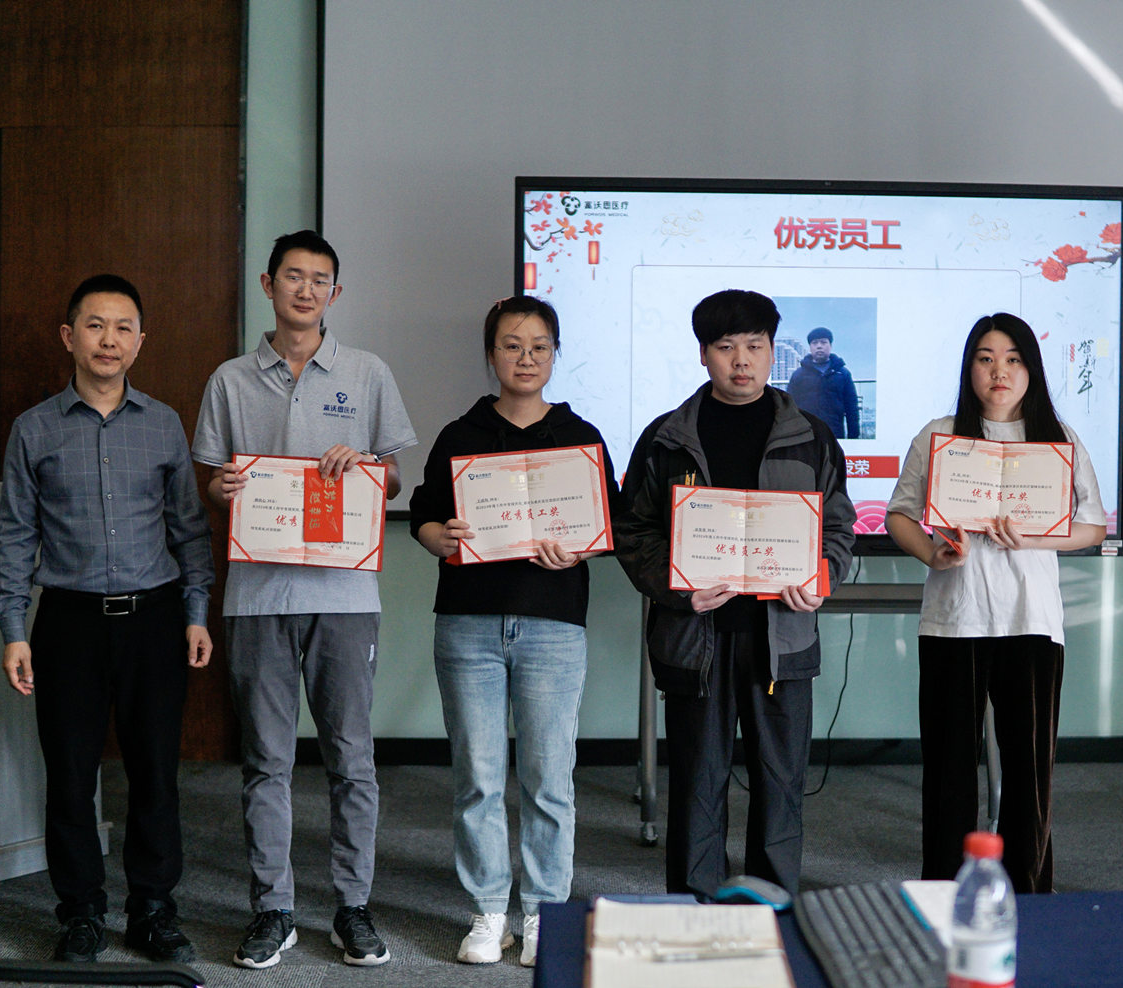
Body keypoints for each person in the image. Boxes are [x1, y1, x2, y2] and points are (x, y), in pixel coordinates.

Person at [192, 230, 416, 969]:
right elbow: (211, 484)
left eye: (320, 279)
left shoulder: (367, 372)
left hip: (345, 595)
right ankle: (274, 909)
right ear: (269, 284)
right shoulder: (230, 380)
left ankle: (353, 906)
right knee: (266, 760)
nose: (306, 290)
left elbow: (393, 482)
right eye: (293, 276)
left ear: (335, 293)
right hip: (257, 596)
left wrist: (369, 468)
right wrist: (223, 488)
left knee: (352, 758)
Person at [0, 274, 214, 963]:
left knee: (155, 774)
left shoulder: (164, 424)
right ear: (70, 337)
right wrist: (13, 630)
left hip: (154, 619)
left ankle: (152, 911)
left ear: (141, 341)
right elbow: (15, 536)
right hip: (69, 624)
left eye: (123, 327)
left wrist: (197, 613)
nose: (108, 340)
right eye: (95, 325)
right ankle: (81, 913)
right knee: (69, 777)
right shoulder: (33, 429)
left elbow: (189, 529)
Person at [615, 289, 855, 898]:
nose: (741, 360)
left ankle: (772, 908)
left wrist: (821, 575)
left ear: (774, 351)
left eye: (754, 345)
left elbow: (837, 527)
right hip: (696, 639)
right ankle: (695, 908)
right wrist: (677, 586)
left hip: (781, 639)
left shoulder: (811, 436)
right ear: (703, 354)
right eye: (725, 347)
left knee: (781, 784)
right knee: (698, 784)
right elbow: (633, 531)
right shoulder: (667, 438)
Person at [408, 296, 618, 967]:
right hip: (467, 623)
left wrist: (578, 548)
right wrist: (438, 536)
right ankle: (488, 910)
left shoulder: (581, 436)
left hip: (554, 624)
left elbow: (606, 524)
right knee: (477, 775)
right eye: (511, 345)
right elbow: (423, 515)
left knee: (549, 778)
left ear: (555, 354)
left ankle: (544, 913)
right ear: (491, 353)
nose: (525, 358)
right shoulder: (460, 434)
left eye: (538, 346)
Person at [885, 312, 1105, 893]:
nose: (999, 371)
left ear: (1031, 369)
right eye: (985, 359)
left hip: (1030, 619)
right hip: (952, 620)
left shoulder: (1058, 439)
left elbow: (1092, 526)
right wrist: (932, 554)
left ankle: (1027, 893)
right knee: (949, 770)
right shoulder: (939, 436)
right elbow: (899, 514)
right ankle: (944, 891)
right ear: (969, 369)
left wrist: (1034, 538)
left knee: (1029, 771)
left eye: (1012, 359)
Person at [787, 326, 860, 439]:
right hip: (806, 434)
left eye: (823, 342)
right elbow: (789, 407)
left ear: (830, 346)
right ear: (810, 347)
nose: (819, 346)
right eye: (815, 343)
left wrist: (853, 437)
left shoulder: (842, 374)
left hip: (834, 433)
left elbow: (852, 408)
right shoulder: (798, 375)